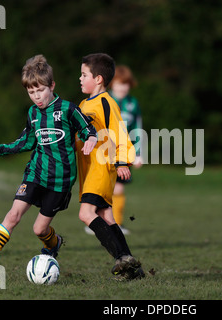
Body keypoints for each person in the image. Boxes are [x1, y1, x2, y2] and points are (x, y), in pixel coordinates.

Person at [0, 54, 97, 279]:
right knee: (13, 215)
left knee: (39, 230)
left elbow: (88, 130)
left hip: (61, 180)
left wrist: (91, 140)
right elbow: (26, 142)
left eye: (40, 90)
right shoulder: (32, 113)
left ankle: (54, 243)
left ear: (52, 86)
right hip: (35, 173)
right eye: (31, 92)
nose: (36, 97)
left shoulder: (68, 109)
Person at [76, 53, 144, 280]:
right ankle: (133, 269)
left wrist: (123, 160)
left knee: (86, 214)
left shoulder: (106, 102)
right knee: (107, 216)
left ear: (98, 79)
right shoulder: (84, 104)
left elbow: (119, 131)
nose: (80, 78)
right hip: (89, 171)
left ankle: (120, 259)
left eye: (84, 74)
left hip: (102, 168)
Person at [108, 65, 143, 235]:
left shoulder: (133, 103)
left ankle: (116, 224)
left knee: (119, 188)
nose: (122, 88)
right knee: (102, 188)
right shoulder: (104, 99)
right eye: (119, 84)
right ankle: (94, 221)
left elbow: (137, 128)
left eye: (126, 84)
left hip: (123, 152)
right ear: (111, 84)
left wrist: (138, 153)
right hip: (104, 151)